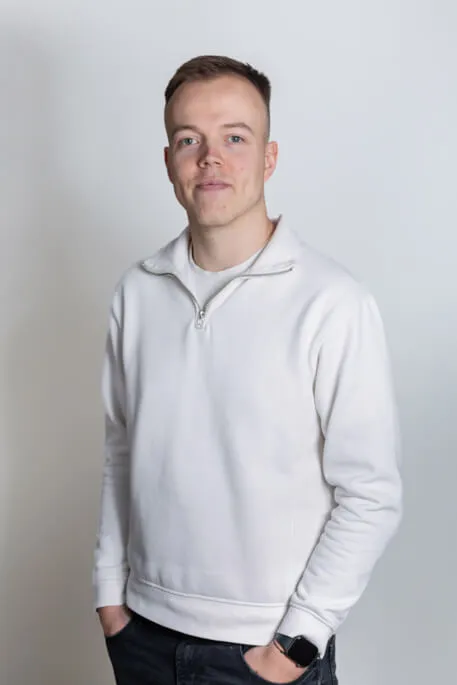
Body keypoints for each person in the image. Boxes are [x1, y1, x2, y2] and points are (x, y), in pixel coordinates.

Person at [93, 55, 402, 685]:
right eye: (190, 140)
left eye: (235, 137)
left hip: (264, 649)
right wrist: (109, 598)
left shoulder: (333, 302)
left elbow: (370, 493)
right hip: (142, 635)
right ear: (169, 162)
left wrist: (296, 644)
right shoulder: (136, 292)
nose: (211, 158)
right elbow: (121, 452)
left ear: (269, 157)